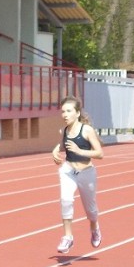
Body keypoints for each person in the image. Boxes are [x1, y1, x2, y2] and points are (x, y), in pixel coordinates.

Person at [51, 96, 103, 253]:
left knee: (91, 210)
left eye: (68, 111)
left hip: (86, 173)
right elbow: (63, 145)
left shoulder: (86, 130)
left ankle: (94, 227)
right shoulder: (64, 130)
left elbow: (99, 153)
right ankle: (68, 237)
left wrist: (80, 151)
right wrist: (55, 151)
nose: (65, 115)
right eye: (63, 111)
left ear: (77, 113)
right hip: (68, 170)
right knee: (66, 200)